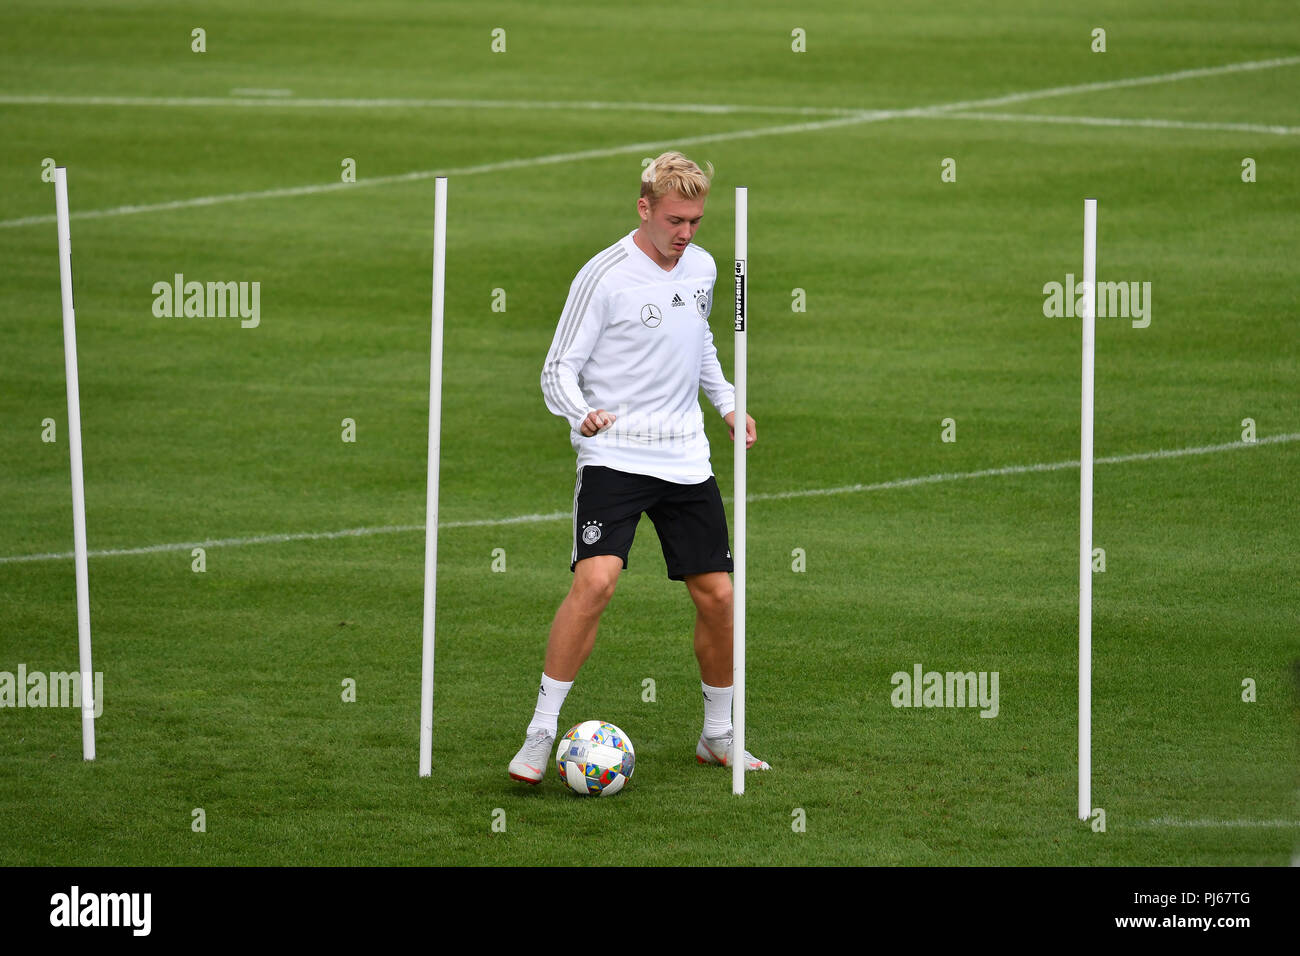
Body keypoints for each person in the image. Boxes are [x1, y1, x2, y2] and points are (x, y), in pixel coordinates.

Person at [508, 150, 770, 784]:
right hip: (616, 454)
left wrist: (729, 404)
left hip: (684, 455)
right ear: (644, 208)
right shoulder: (604, 277)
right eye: (675, 220)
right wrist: (582, 413)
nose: (685, 234)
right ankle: (541, 733)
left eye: (697, 221)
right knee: (595, 584)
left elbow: (700, 341)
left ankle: (718, 735)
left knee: (719, 597)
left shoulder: (703, 267)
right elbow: (556, 370)